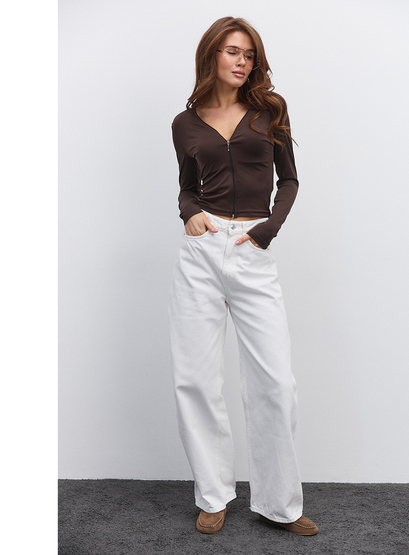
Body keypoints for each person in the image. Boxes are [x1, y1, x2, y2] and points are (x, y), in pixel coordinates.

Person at [168, 16, 318, 536]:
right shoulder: (185, 123)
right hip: (202, 251)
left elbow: (289, 180)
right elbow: (188, 186)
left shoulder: (270, 110)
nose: (242, 61)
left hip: (251, 248)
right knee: (195, 378)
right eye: (232, 51)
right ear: (211, 54)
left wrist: (266, 230)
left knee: (275, 382)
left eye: (249, 54)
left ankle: (280, 503)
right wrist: (189, 212)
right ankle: (213, 495)